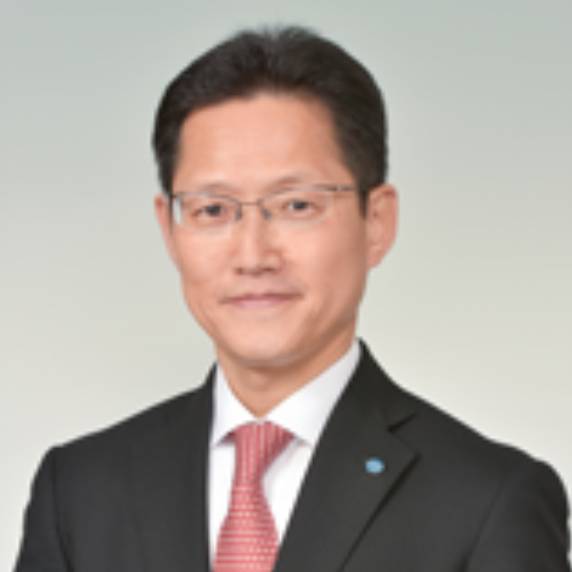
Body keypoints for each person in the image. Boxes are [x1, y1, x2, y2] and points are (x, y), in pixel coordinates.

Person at [15, 25, 570, 572]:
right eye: (213, 209)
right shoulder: (80, 492)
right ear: (170, 229)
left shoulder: (488, 501)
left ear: (377, 222)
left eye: (296, 205)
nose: (253, 255)